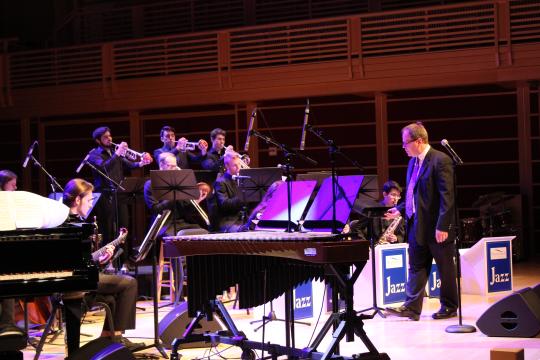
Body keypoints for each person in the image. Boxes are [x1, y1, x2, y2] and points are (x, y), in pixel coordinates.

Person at [385, 122, 458, 321]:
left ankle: (450, 306)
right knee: (416, 266)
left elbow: (447, 197)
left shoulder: (440, 160)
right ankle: (411, 307)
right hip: (417, 224)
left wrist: (443, 225)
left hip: (436, 226)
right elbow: (414, 193)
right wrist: (399, 210)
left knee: (445, 268)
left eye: (405, 143)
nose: (403, 147)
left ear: (419, 141)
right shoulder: (413, 162)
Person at [63, 178, 144, 351]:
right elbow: (74, 262)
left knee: (113, 296)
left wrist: (102, 260)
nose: (91, 204)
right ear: (78, 200)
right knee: (129, 283)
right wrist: (94, 260)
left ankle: (109, 340)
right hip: (76, 281)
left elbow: (86, 261)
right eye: (89, 200)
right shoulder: (68, 223)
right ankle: (113, 339)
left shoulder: (77, 221)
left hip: (86, 276)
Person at [87, 126, 152, 262]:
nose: (109, 138)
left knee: (123, 228)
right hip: (105, 196)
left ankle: (123, 262)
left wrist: (141, 162)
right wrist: (117, 154)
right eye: (105, 137)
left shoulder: (113, 151)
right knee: (108, 229)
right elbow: (105, 168)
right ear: (98, 140)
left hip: (120, 194)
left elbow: (128, 164)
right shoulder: (94, 154)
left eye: (110, 136)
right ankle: (107, 262)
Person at [143, 152, 211, 235]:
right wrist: (172, 196)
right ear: (161, 165)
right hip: (164, 224)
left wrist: (196, 201)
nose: (175, 169)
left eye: (175, 166)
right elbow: (155, 210)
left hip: (182, 222)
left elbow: (185, 210)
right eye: (171, 166)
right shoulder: (150, 184)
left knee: (204, 233)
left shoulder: (179, 183)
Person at [349, 180, 405, 244]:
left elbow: (401, 235)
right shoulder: (373, 210)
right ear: (384, 194)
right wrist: (365, 245)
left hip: (392, 248)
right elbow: (357, 228)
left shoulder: (398, 212)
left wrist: (396, 238)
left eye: (398, 196)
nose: (396, 199)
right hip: (375, 248)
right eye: (393, 195)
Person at [207, 151, 247, 233]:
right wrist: (242, 197)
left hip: (242, 218)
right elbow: (225, 205)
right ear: (227, 166)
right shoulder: (220, 182)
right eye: (235, 165)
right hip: (228, 221)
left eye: (239, 164)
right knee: (245, 231)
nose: (238, 168)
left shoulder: (242, 179)